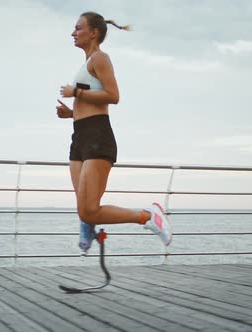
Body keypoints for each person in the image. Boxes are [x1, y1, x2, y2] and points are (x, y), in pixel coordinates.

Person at [56, 11, 172, 250]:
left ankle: (148, 216)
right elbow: (93, 101)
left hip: (98, 137)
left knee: (89, 209)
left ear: (93, 32)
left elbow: (113, 96)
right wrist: (72, 113)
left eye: (78, 28)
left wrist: (75, 93)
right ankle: (88, 228)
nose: (73, 33)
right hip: (80, 135)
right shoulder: (87, 63)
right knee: (84, 206)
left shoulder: (101, 58)